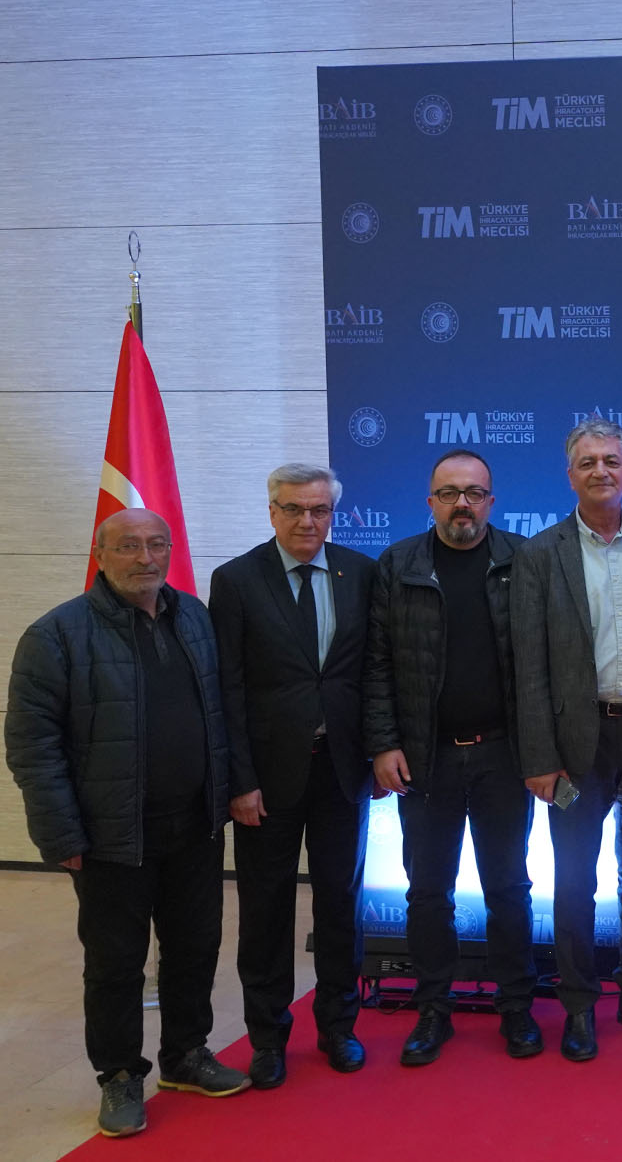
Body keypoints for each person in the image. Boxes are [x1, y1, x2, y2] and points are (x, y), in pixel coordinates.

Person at [6, 508, 247, 1138]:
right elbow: (32, 745)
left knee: (194, 948)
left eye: (156, 545)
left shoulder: (194, 618)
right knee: (116, 964)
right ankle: (118, 1075)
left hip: (194, 826)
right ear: (100, 555)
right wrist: (60, 833)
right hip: (111, 836)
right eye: (129, 546)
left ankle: (186, 1056)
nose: (145, 557)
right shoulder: (56, 634)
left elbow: (220, 714)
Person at [363, 450, 542, 1065]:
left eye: (473, 493)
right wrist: (384, 743)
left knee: (509, 888)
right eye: (448, 493)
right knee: (428, 892)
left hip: (503, 756)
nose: (461, 504)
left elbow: (544, 663)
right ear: (430, 501)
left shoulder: (523, 561)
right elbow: (377, 665)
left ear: (492, 502)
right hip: (425, 759)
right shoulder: (398, 565)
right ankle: (433, 1009)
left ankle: (516, 1006)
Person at [211, 464, 377, 1089]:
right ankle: (268, 1038)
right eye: (293, 509)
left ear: (333, 514)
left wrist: (378, 752)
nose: (307, 521)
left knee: (340, 903)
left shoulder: (361, 573)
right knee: (265, 910)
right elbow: (226, 688)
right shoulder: (236, 580)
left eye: (319, 509)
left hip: (341, 771)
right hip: (265, 779)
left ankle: (338, 1026)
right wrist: (238, 779)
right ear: (272, 512)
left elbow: (373, 672)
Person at [513, 419, 622, 1061]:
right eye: (587, 462)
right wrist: (540, 758)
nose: (600, 470)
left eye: (611, 460)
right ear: (570, 474)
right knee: (575, 878)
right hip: (575, 747)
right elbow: (528, 666)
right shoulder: (539, 554)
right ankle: (578, 1005)